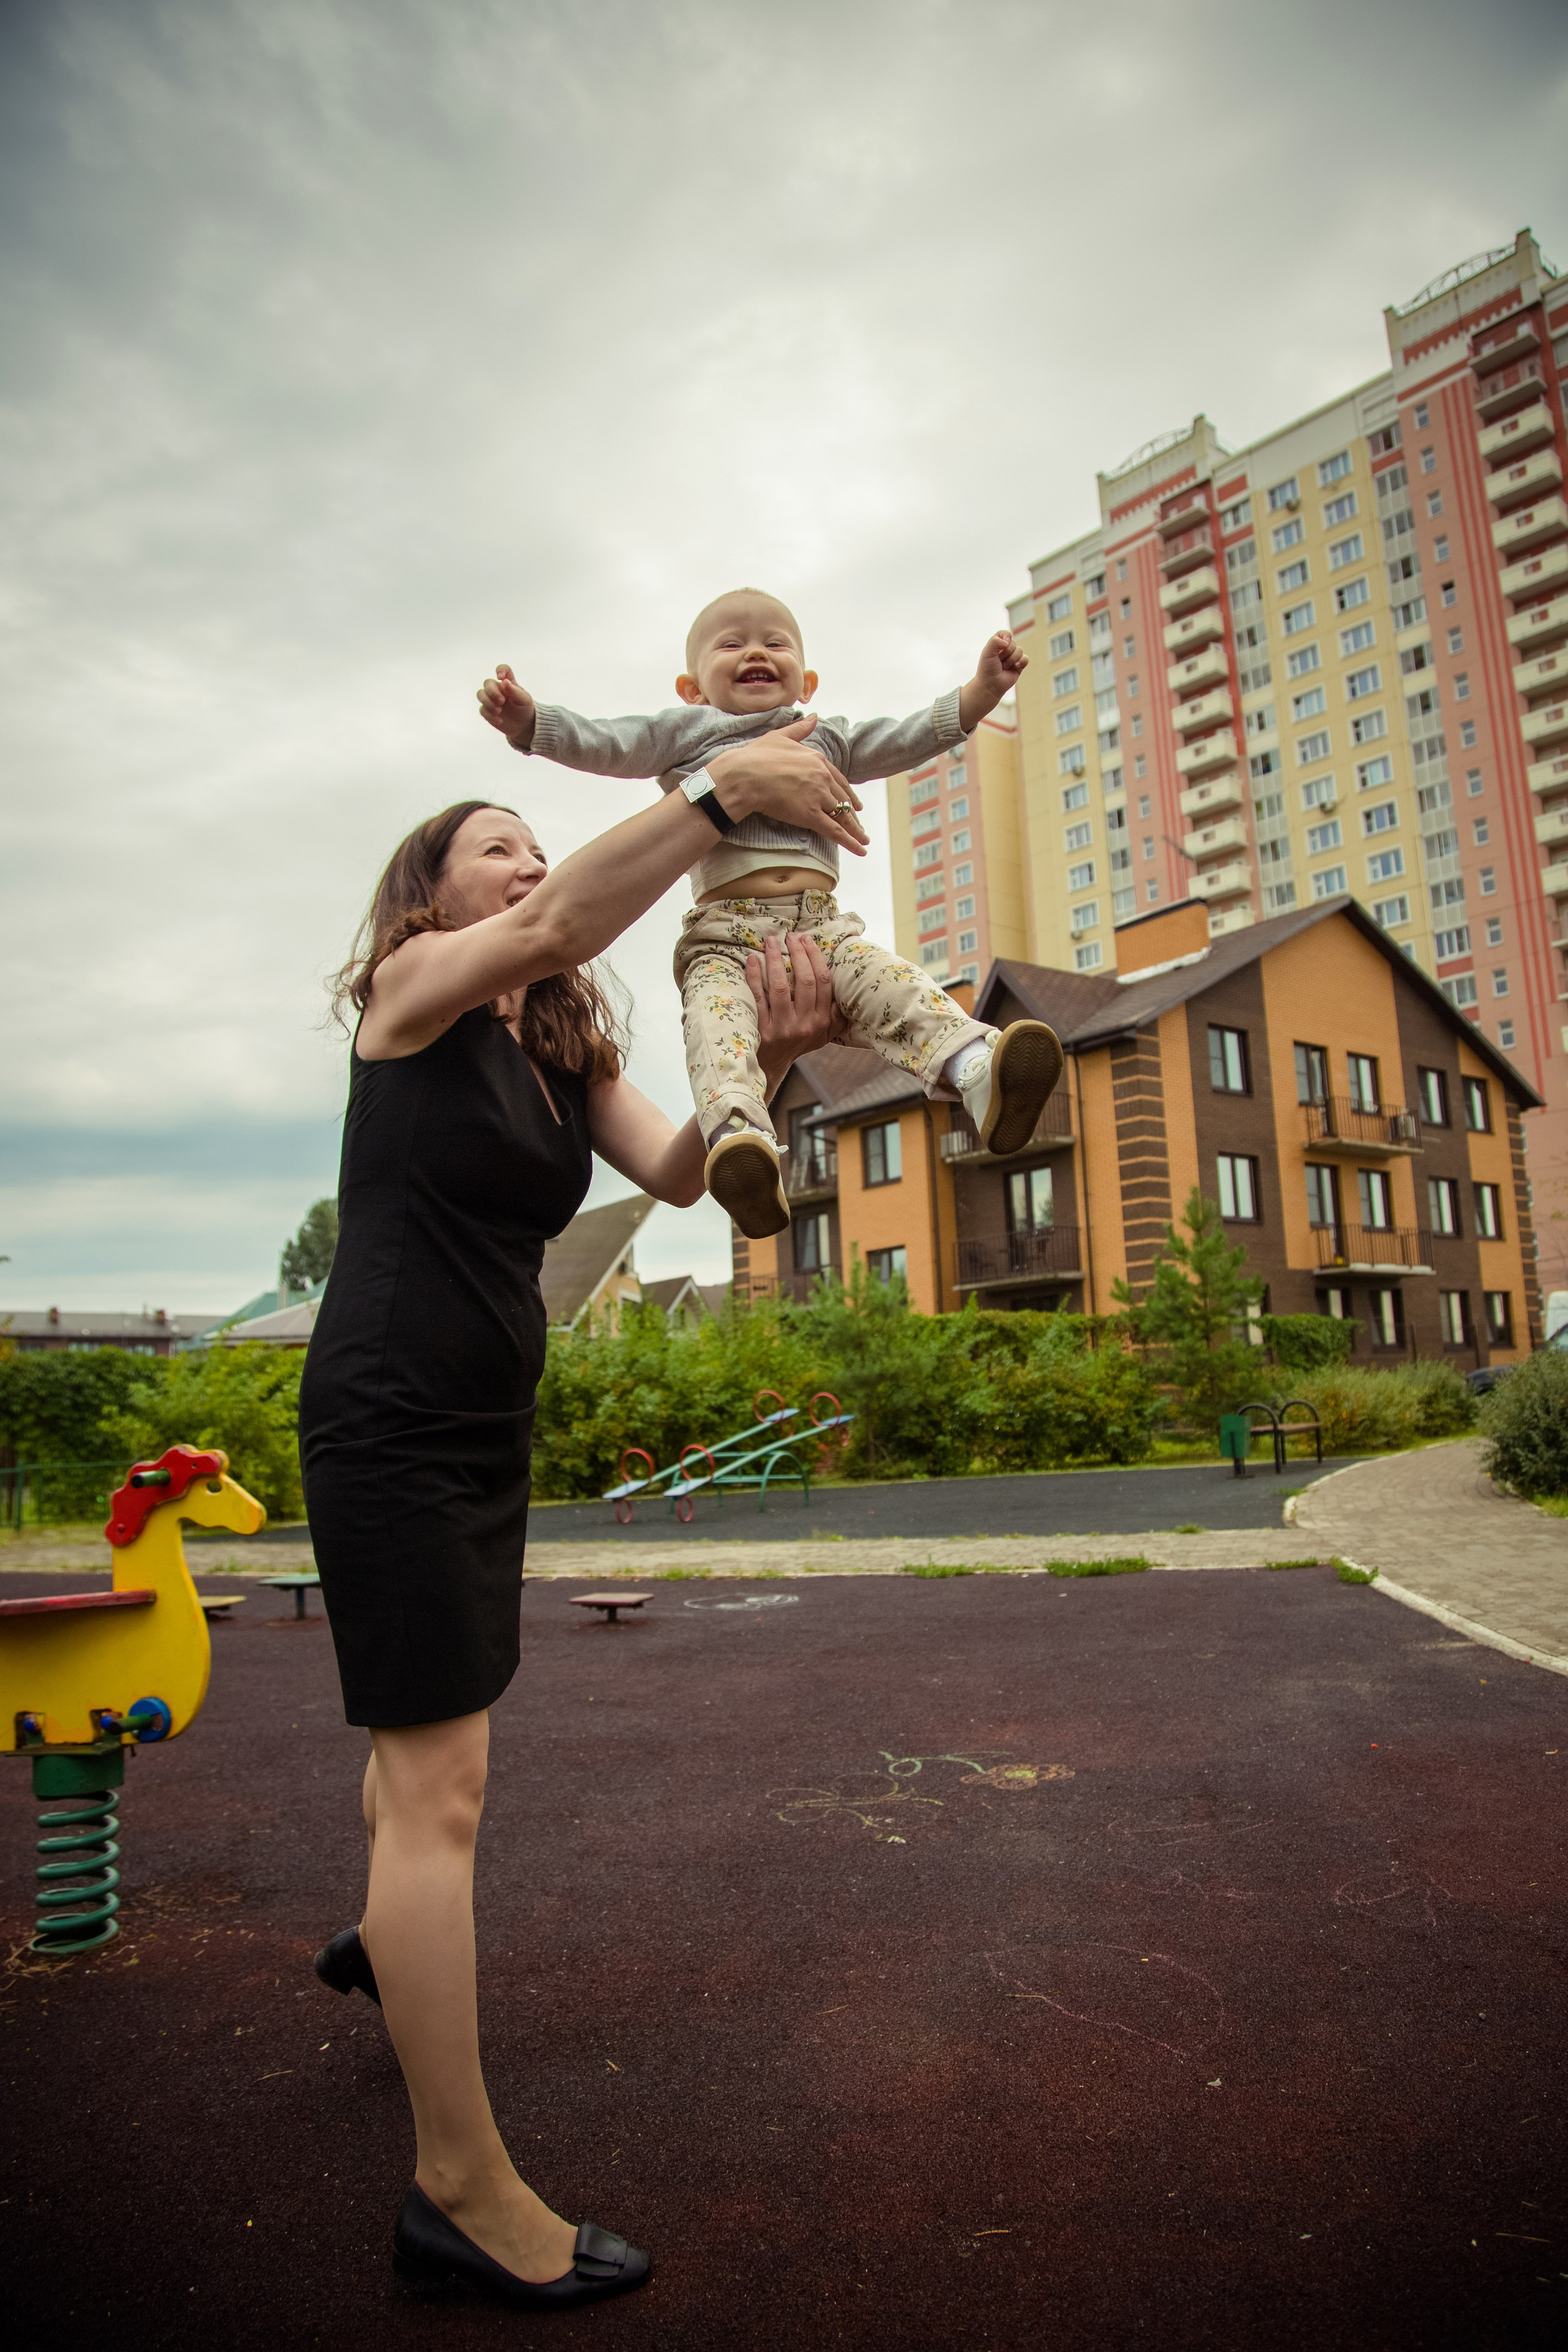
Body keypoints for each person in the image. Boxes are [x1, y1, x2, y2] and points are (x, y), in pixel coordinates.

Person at [299, 729, 858, 2315]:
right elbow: (557, 930)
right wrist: (721, 793)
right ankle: (459, 2193)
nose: (531, 865)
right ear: (430, 892)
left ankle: (375, 1939)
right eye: (499, 844)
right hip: (392, 1421)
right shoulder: (408, 1006)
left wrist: (786, 1057)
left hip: (487, 1432)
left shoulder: (557, 1055)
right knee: (442, 1790)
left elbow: (683, 1176)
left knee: (429, 1740)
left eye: (540, 844)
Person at [477, 588, 1064, 1242]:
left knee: (895, 988)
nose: (755, 650)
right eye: (731, 643)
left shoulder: (827, 738)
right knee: (716, 1025)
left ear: (806, 682)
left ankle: (975, 1070)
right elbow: (610, 743)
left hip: (822, 929)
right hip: (725, 937)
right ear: (692, 687)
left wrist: (981, 692)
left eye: (774, 642)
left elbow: (905, 738)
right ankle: (739, 1138)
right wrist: (531, 725)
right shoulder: (685, 735)